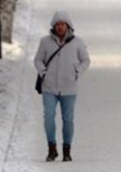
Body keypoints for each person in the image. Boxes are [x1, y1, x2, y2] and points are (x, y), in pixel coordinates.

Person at [34, 11, 91, 162]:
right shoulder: (45, 42)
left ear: (68, 26)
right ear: (53, 26)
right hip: (49, 87)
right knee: (48, 116)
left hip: (69, 87)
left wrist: (77, 72)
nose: (60, 27)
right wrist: (43, 72)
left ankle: (67, 149)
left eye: (62, 24)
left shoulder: (77, 42)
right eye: (57, 24)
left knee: (68, 119)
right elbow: (38, 60)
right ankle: (51, 148)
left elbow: (86, 60)